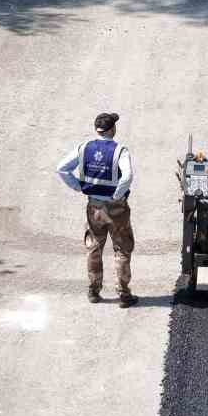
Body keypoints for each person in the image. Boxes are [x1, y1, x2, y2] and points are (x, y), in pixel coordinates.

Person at [55, 112, 138, 307]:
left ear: (96, 130)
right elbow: (127, 176)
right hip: (116, 209)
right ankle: (124, 294)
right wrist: (117, 195)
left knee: (93, 248)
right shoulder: (120, 151)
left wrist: (78, 186)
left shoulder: (84, 148)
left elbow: (61, 168)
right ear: (112, 130)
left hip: (94, 208)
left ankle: (93, 291)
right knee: (122, 248)